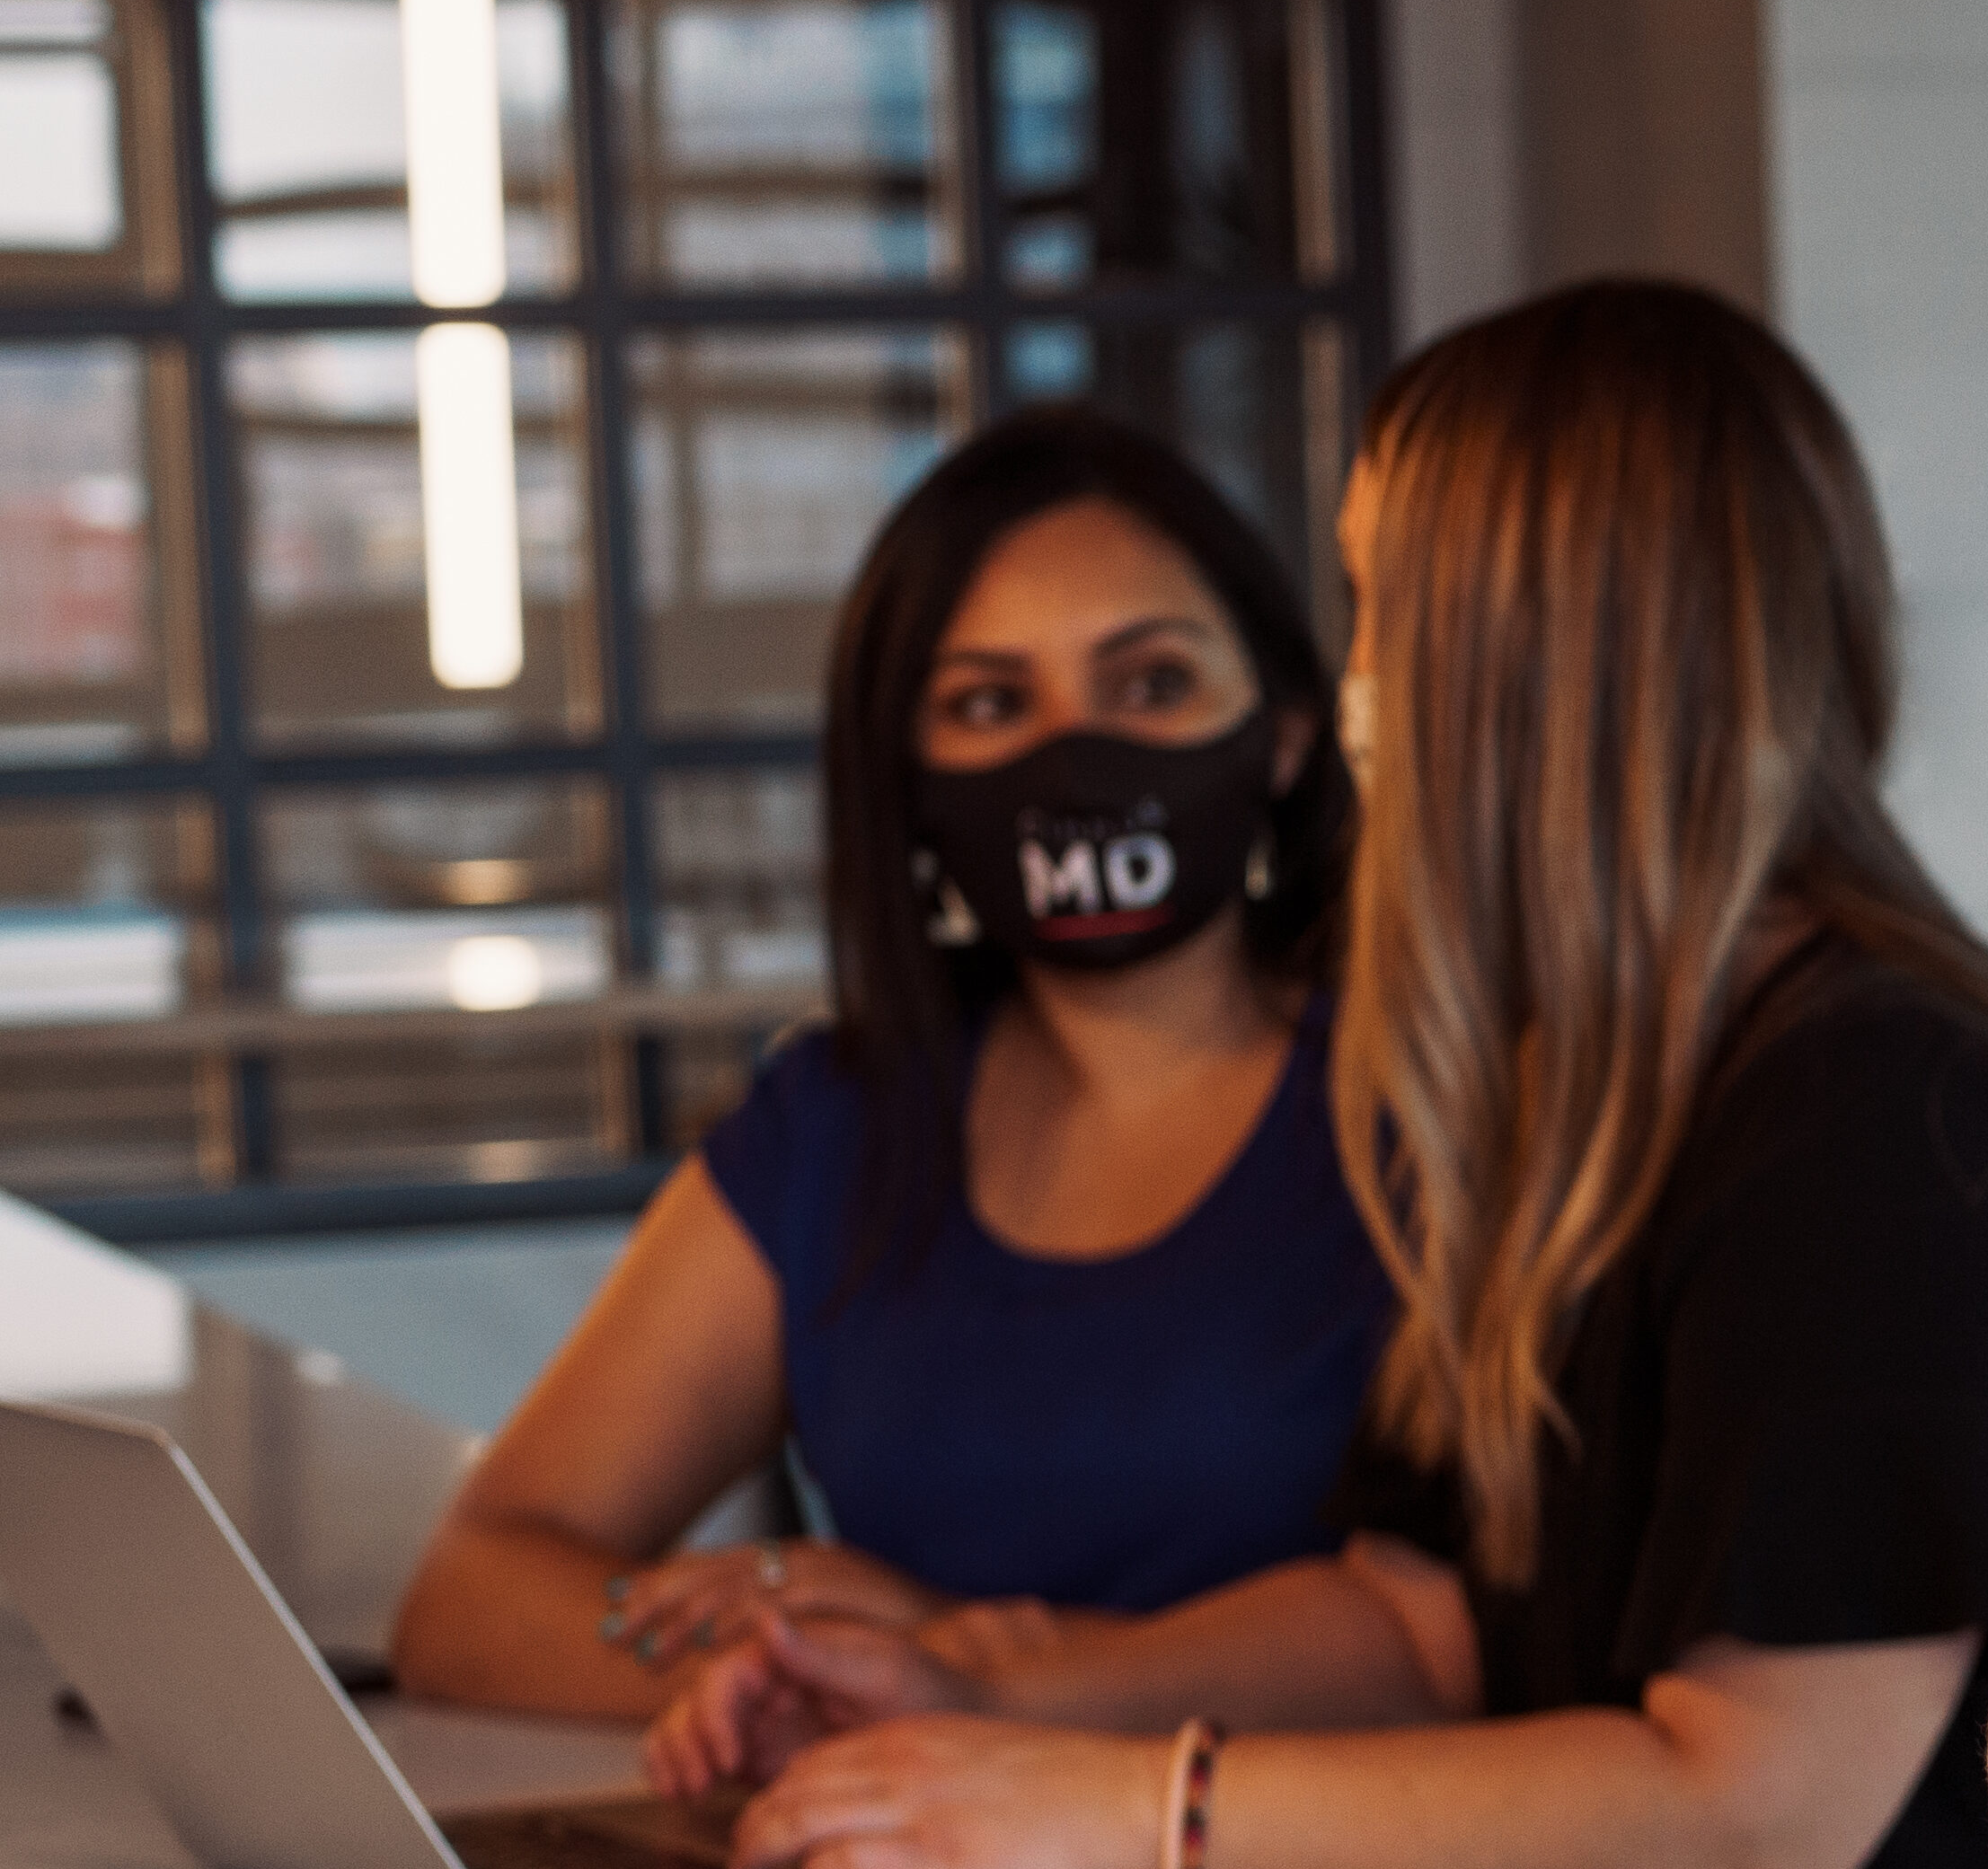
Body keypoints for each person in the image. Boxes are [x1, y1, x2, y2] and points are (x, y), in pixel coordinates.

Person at [651, 280, 1988, 1869]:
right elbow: (1430, 1608)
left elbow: (1740, 1825)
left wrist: (1112, 1807)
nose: (1352, 702)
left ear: (1528, 661)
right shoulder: (1595, 1086)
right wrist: (987, 1693)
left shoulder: (1886, 1113)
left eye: (1376, 616)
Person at [391, 412, 1379, 1718]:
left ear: (1288, 735)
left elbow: (1442, 1649)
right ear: (909, 785)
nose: (1075, 753)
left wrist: (955, 1663)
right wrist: (772, 1677)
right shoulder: (838, 1129)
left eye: (1150, 683)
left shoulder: (1421, 1109)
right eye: (990, 702)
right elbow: (473, 1588)